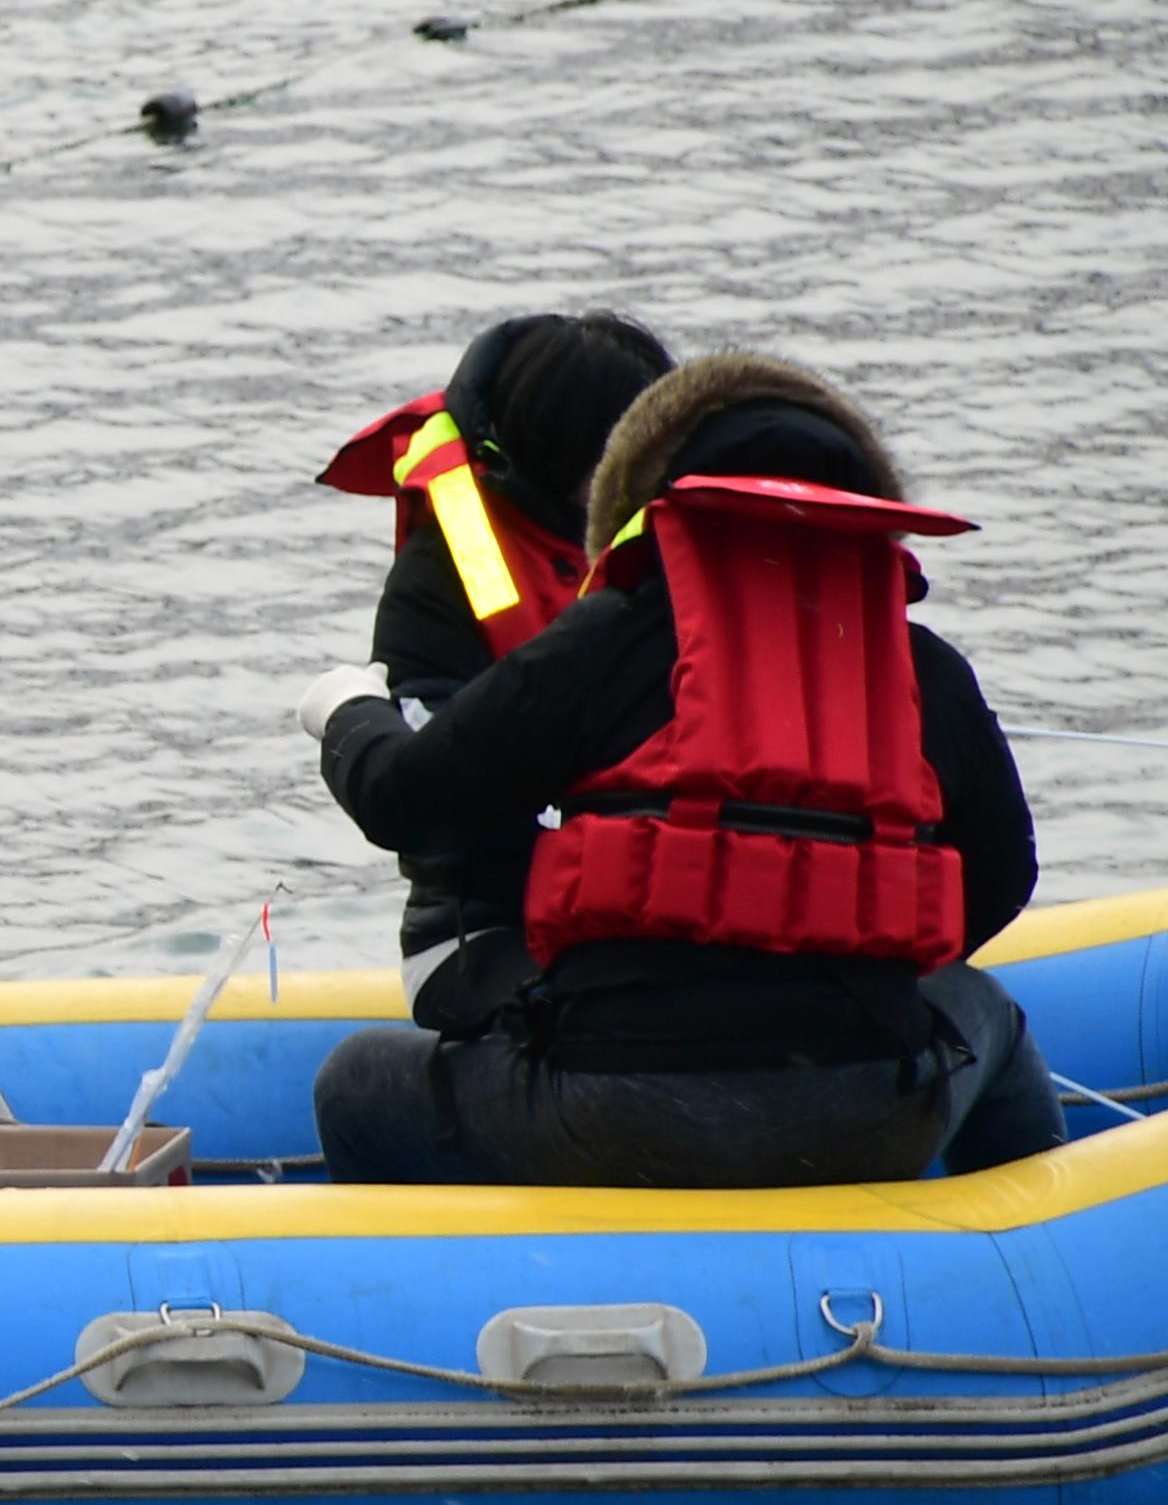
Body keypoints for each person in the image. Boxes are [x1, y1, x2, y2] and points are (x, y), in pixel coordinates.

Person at [298, 352, 1063, 1187]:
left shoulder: (610, 641)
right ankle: (1017, 1265)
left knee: (355, 1083)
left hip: (617, 1115)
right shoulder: (927, 669)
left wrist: (347, 715)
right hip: (868, 1114)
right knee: (987, 1011)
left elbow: (409, 801)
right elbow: (1000, 879)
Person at [315, 313, 674, 1035]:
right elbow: (426, 799)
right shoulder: (449, 569)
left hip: (663, 916)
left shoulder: (678, 560)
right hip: (483, 933)